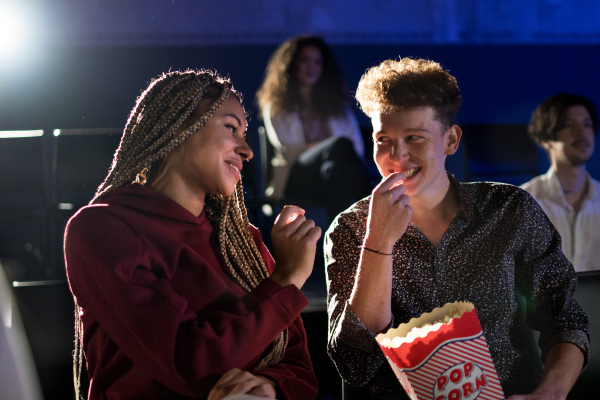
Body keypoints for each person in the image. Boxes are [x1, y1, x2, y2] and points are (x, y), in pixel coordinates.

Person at [325, 58, 589, 399]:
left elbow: (565, 319)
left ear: (450, 141)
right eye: (383, 139)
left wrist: (549, 393)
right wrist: (378, 240)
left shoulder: (510, 209)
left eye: (414, 138)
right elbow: (354, 364)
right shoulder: (351, 228)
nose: (396, 156)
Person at [64, 70, 321, 400]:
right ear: (181, 126)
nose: (247, 150)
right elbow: (191, 364)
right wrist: (287, 278)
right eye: (231, 128)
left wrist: (269, 388)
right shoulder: (102, 229)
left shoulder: (243, 241)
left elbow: (299, 369)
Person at [256, 35, 372, 221]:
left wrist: (321, 148)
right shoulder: (277, 104)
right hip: (296, 177)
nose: (312, 67)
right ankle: (371, 210)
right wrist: (326, 148)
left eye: (317, 62)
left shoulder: (337, 105)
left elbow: (356, 145)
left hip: (328, 178)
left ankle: (340, 243)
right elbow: (289, 148)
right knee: (340, 143)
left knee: (333, 170)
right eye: (305, 60)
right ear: (292, 64)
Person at [521, 93, 600, 272]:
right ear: (545, 139)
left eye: (587, 124)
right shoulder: (525, 203)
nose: (582, 133)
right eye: (568, 125)